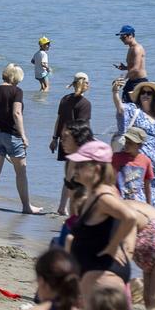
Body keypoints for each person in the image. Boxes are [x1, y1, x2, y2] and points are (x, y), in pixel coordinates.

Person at [66, 141, 138, 299]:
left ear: (96, 168)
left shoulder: (103, 196)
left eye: (80, 166)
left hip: (103, 274)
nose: (74, 169)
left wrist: (114, 246)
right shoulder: (93, 194)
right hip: (93, 272)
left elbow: (130, 217)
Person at [0, 64, 41, 214]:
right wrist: (23, 135)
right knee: (21, 172)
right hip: (12, 135)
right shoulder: (17, 91)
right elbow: (17, 114)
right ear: (16, 77)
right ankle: (26, 206)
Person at [112, 79, 155, 204]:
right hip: (135, 165)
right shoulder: (134, 111)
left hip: (153, 169)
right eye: (143, 92)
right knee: (133, 200)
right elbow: (120, 108)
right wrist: (115, 92)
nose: (145, 95)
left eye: (149, 93)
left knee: (150, 202)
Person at [53, 73, 93, 213]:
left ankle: (62, 206)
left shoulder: (64, 99)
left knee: (69, 174)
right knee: (78, 177)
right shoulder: (85, 104)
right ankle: (71, 208)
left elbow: (59, 121)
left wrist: (54, 138)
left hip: (64, 141)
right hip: (78, 144)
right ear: (86, 84)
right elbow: (83, 127)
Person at [114, 127, 155, 202]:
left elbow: (147, 186)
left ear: (139, 146)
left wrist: (149, 205)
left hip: (137, 201)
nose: (127, 145)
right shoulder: (116, 157)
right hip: (118, 201)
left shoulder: (146, 161)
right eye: (126, 141)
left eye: (130, 143)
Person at [115, 25, 147, 103]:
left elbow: (136, 69)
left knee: (136, 109)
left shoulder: (137, 48)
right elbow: (134, 66)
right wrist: (125, 67)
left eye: (123, 37)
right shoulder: (130, 48)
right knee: (125, 105)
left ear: (131, 35)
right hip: (131, 82)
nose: (121, 39)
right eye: (120, 37)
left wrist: (123, 78)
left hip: (139, 82)